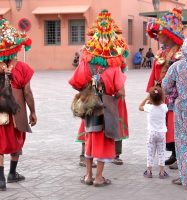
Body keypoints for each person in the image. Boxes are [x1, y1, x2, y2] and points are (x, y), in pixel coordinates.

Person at [69, 9, 129, 187]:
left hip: (90, 106)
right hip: (107, 107)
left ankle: (88, 175)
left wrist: (87, 88)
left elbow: (74, 83)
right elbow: (121, 92)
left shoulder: (86, 63)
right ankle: (99, 178)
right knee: (104, 139)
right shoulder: (115, 66)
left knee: (90, 137)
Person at [0, 18, 37, 191]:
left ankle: (0, 179)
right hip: (17, 111)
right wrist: (33, 112)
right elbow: (27, 92)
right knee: (17, 139)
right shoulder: (21, 67)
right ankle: (12, 173)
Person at [145, 8, 184, 169]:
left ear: (168, 33)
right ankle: (173, 153)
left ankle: (179, 154)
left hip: (177, 95)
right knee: (163, 124)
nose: (157, 36)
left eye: (159, 33)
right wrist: (151, 91)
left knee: (176, 124)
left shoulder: (181, 52)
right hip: (162, 95)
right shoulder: (161, 51)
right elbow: (154, 74)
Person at [162, 36, 187, 187]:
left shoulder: (177, 66)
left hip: (183, 111)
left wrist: (176, 92)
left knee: (184, 143)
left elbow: (165, 87)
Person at [139, 86, 169, 179]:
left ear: (150, 98)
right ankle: (162, 172)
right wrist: (160, 99)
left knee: (150, 153)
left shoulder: (149, 107)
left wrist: (146, 99)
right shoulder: (164, 107)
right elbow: (163, 104)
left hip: (151, 133)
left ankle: (149, 172)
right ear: (161, 98)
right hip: (162, 133)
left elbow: (140, 107)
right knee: (161, 153)